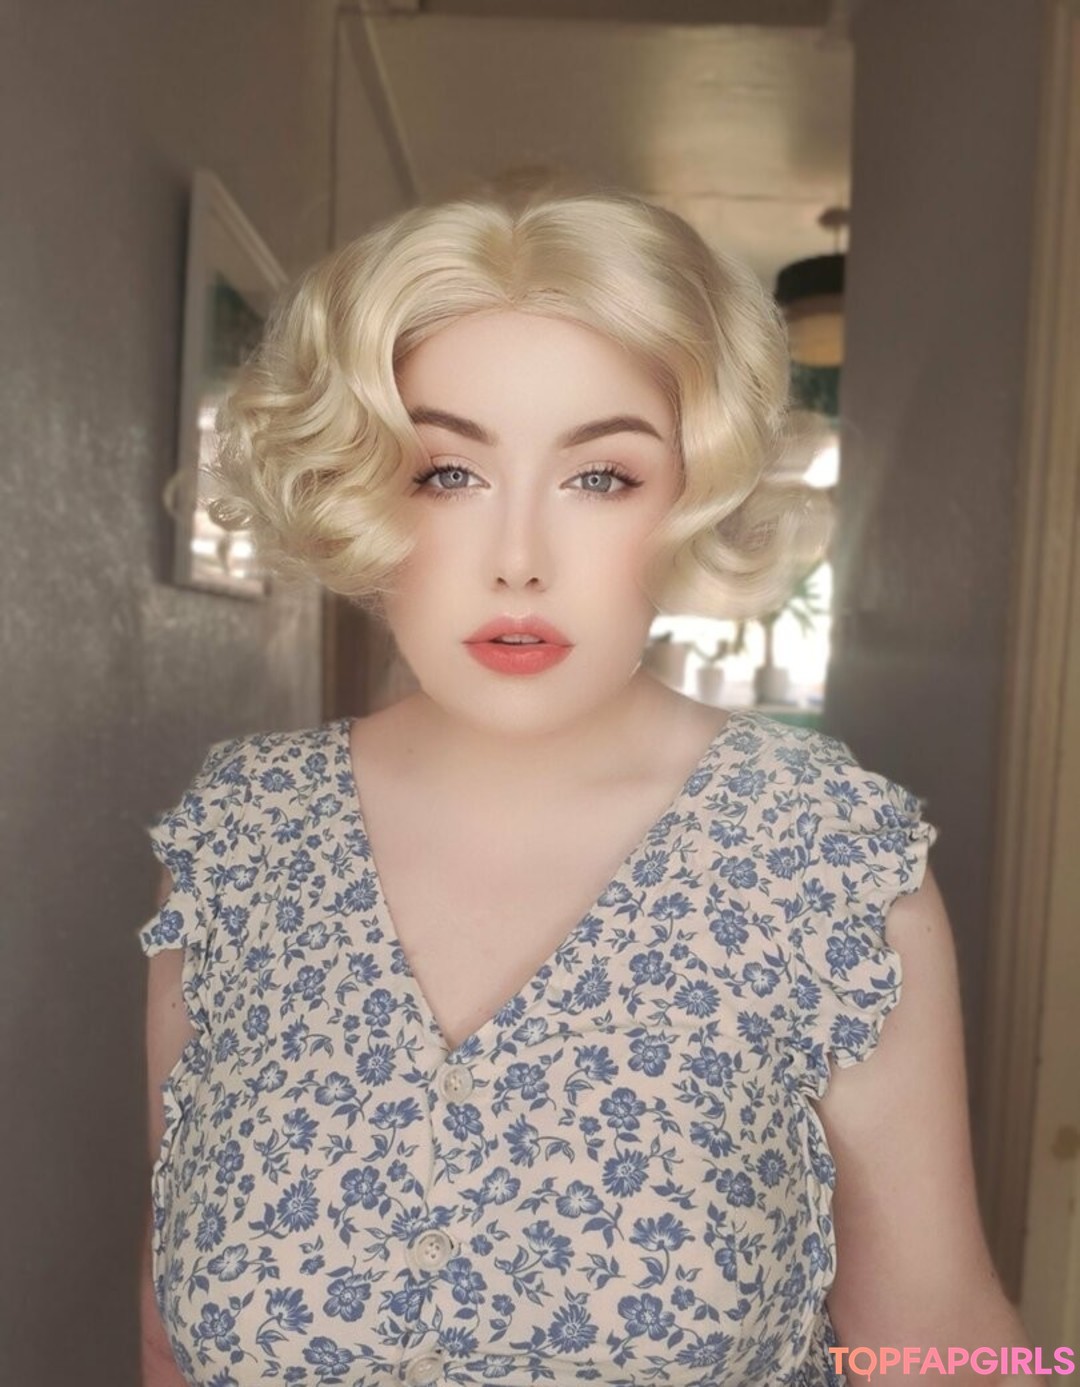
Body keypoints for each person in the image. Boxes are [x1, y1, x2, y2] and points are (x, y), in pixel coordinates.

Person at [138, 182, 1030, 1387]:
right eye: (445, 472)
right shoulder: (238, 845)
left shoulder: (822, 862)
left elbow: (942, 1348)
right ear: (355, 486)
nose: (520, 561)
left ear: (692, 495)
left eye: (601, 476)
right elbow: (170, 1329)